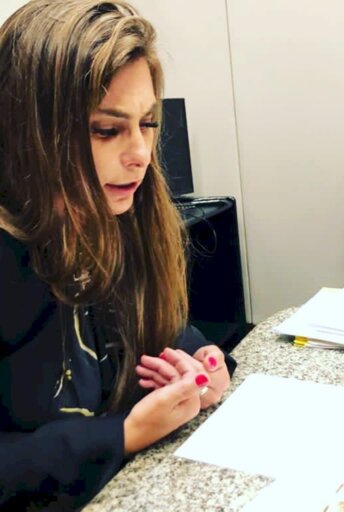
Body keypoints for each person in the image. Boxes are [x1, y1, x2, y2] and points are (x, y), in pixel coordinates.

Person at [0, 1, 235, 509]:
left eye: (147, 123)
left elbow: (161, 332)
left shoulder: (116, 218)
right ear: (28, 132)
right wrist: (122, 435)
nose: (141, 155)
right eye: (107, 130)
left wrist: (204, 363)